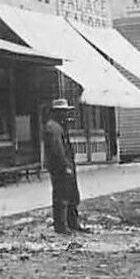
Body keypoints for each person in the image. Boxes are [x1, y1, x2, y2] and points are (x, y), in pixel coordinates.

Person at [43, 99, 85, 234]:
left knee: (72, 194)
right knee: (62, 196)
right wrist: (64, 165)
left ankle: (73, 223)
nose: (66, 114)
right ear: (56, 112)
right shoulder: (52, 127)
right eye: (63, 112)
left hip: (67, 165)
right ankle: (61, 226)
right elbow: (57, 149)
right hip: (60, 167)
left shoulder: (59, 126)